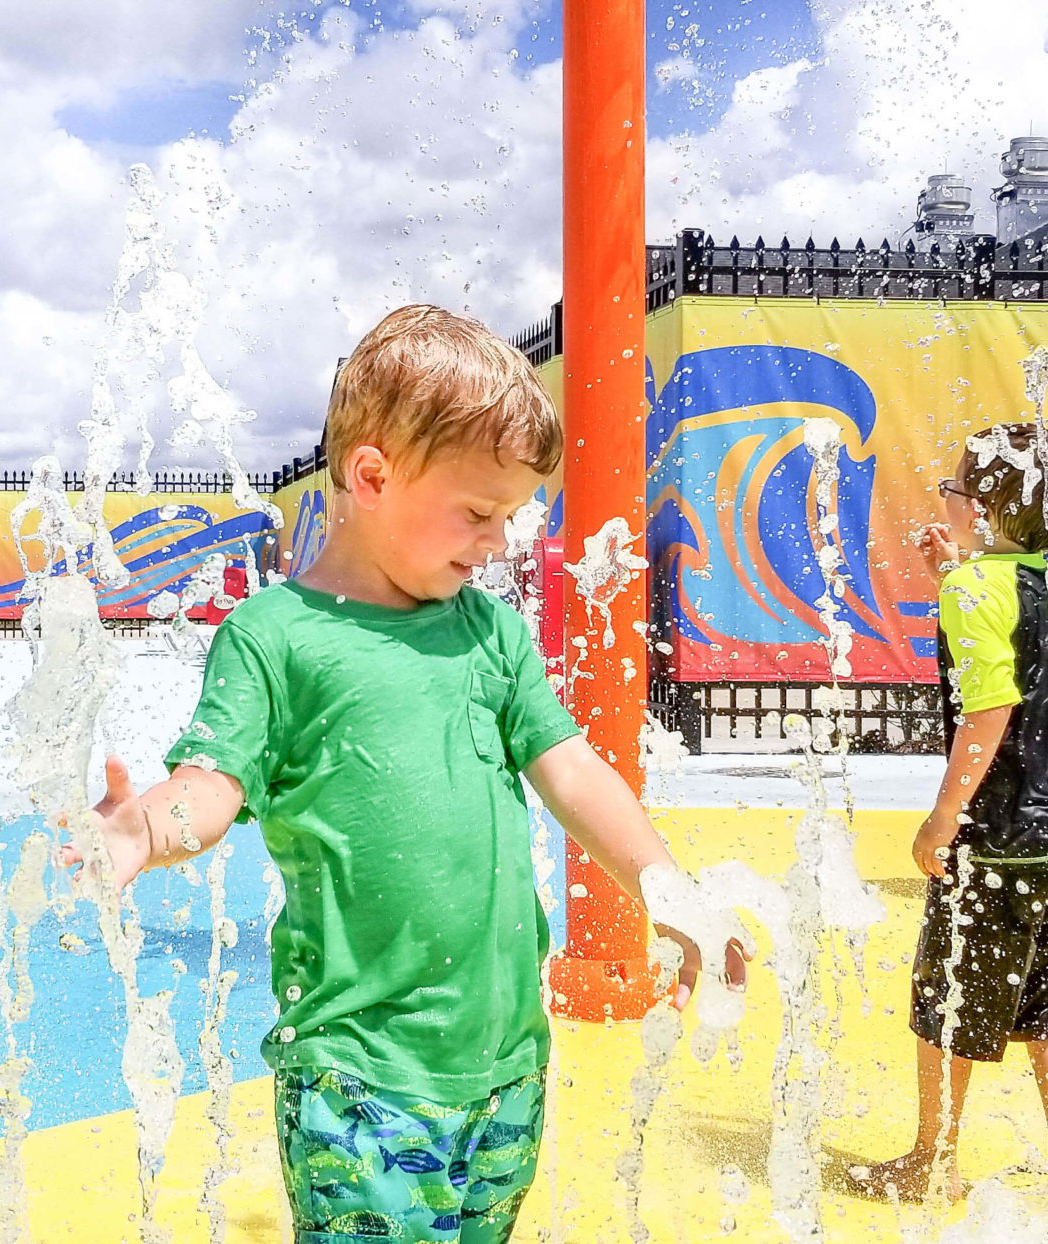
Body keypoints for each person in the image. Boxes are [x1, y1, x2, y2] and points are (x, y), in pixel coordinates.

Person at [59, 304, 744, 1244]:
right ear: (372, 475)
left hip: (504, 1065)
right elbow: (213, 785)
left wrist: (663, 886)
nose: (499, 541)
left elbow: (574, 770)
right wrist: (143, 829)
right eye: (477, 511)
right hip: (358, 1076)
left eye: (509, 516)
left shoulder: (490, 633)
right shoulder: (277, 638)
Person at [851, 423, 1048, 1208]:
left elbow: (990, 707)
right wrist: (951, 575)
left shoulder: (972, 590)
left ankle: (935, 1161)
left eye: (957, 489)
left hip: (999, 839)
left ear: (989, 506)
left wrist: (942, 817)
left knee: (947, 1005)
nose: (948, 498)